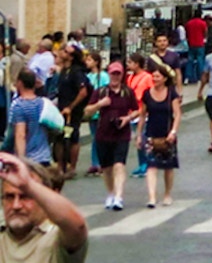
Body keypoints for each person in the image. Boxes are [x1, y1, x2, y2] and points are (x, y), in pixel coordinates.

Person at [0, 153, 88, 261]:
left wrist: (27, 185)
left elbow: (77, 226)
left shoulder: (56, 237)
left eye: (26, 197)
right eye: (9, 197)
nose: (16, 206)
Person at [84, 61, 139, 210]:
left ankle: (119, 197)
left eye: (118, 74)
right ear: (108, 74)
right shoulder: (100, 92)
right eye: (113, 73)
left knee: (119, 165)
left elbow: (136, 110)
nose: (115, 77)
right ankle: (111, 193)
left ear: (122, 75)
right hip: (103, 134)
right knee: (107, 168)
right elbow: (87, 111)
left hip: (122, 133)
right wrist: (100, 104)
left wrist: (127, 119)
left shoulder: (127, 92)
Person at [137, 63, 181, 208]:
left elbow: (177, 114)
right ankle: (152, 197)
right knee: (151, 166)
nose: (155, 79)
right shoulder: (147, 94)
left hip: (167, 134)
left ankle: (167, 194)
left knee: (168, 167)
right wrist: (139, 135)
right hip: (151, 133)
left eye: (158, 76)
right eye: (153, 76)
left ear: (164, 78)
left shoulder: (171, 93)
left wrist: (173, 131)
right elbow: (142, 115)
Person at [53, 46, 90, 178]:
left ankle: (72, 167)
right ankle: (60, 166)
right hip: (61, 109)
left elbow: (83, 92)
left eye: (65, 51)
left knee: (73, 137)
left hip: (72, 111)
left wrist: (71, 107)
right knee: (59, 137)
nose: (62, 52)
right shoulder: (64, 70)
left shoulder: (76, 72)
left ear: (71, 57)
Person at [8, 70, 52, 166]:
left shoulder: (19, 105)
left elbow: (20, 135)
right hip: (44, 156)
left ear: (20, 83)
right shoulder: (43, 103)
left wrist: (21, 160)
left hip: (29, 160)